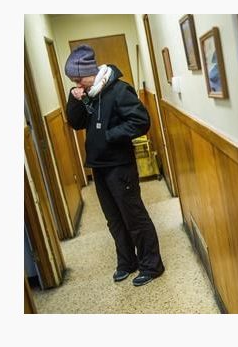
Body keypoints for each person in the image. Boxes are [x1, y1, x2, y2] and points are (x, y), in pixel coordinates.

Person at [64, 44, 165, 286]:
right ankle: (127, 262)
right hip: (99, 166)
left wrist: (110, 135)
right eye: (73, 81)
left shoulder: (119, 90)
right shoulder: (88, 93)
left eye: (79, 79)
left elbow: (141, 121)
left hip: (120, 165)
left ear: (92, 72)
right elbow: (76, 123)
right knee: (114, 219)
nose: (78, 84)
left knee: (133, 216)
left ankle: (152, 265)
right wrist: (75, 99)